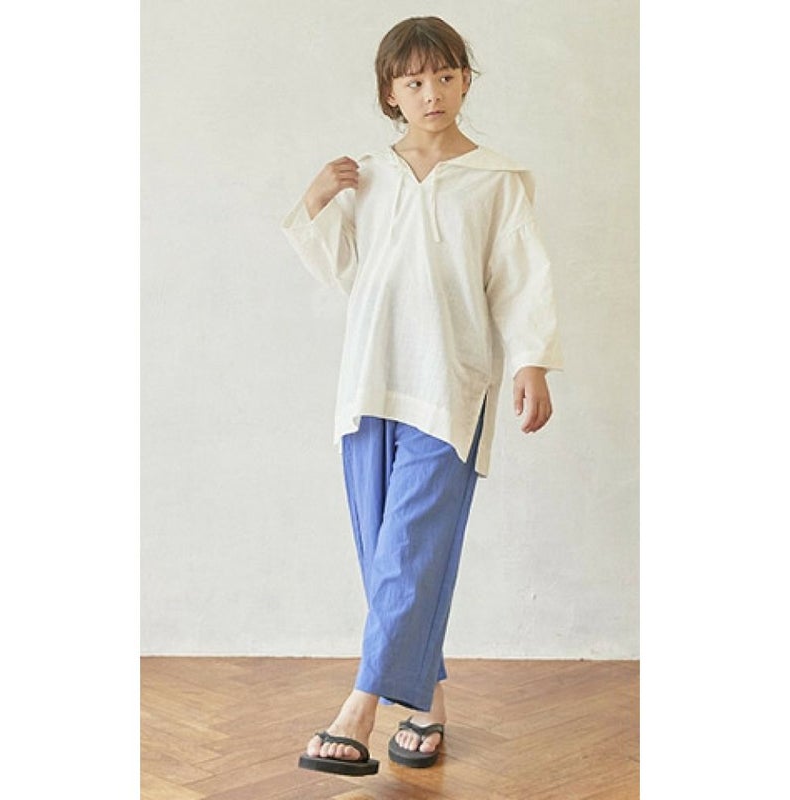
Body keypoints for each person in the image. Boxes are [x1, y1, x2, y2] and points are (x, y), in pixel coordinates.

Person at [281, 16, 562, 776]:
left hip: (451, 383)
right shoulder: (369, 175)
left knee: (408, 549)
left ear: (466, 80)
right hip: (369, 380)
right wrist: (316, 197)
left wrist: (531, 362)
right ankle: (429, 705)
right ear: (390, 94)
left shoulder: (497, 179)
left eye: (444, 76)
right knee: (389, 556)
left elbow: (521, 276)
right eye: (413, 81)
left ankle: (358, 710)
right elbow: (343, 270)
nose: (431, 92)